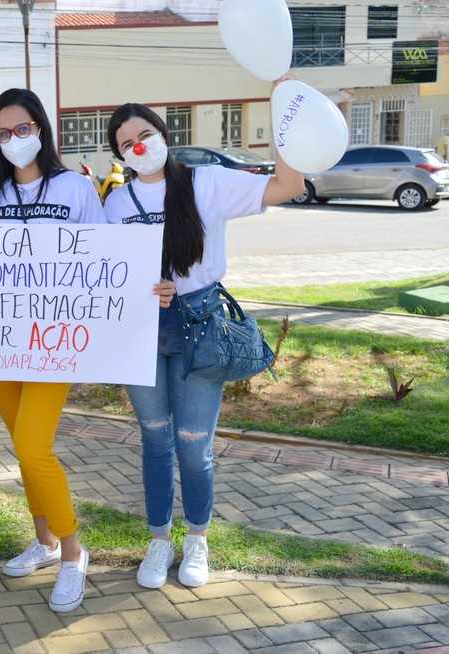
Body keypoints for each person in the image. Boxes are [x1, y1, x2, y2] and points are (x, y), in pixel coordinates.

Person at [0, 88, 162, 614]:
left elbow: (110, 261)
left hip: (54, 344)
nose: (14, 139)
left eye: (23, 128)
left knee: (35, 445)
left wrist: (148, 287)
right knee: (21, 447)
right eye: (3, 132)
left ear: (40, 127)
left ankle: (73, 553)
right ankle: (43, 541)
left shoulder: (75, 188)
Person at [103, 99, 304, 590]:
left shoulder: (205, 183)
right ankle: (158, 539)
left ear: (163, 132)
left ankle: (197, 538)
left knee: (193, 446)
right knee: (154, 439)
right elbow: (105, 274)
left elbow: (288, 186)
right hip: (141, 333)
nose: (139, 146)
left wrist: (286, 120)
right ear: (120, 155)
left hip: (199, 324)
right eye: (127, 143)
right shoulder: (114, 203)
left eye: (145, 134)